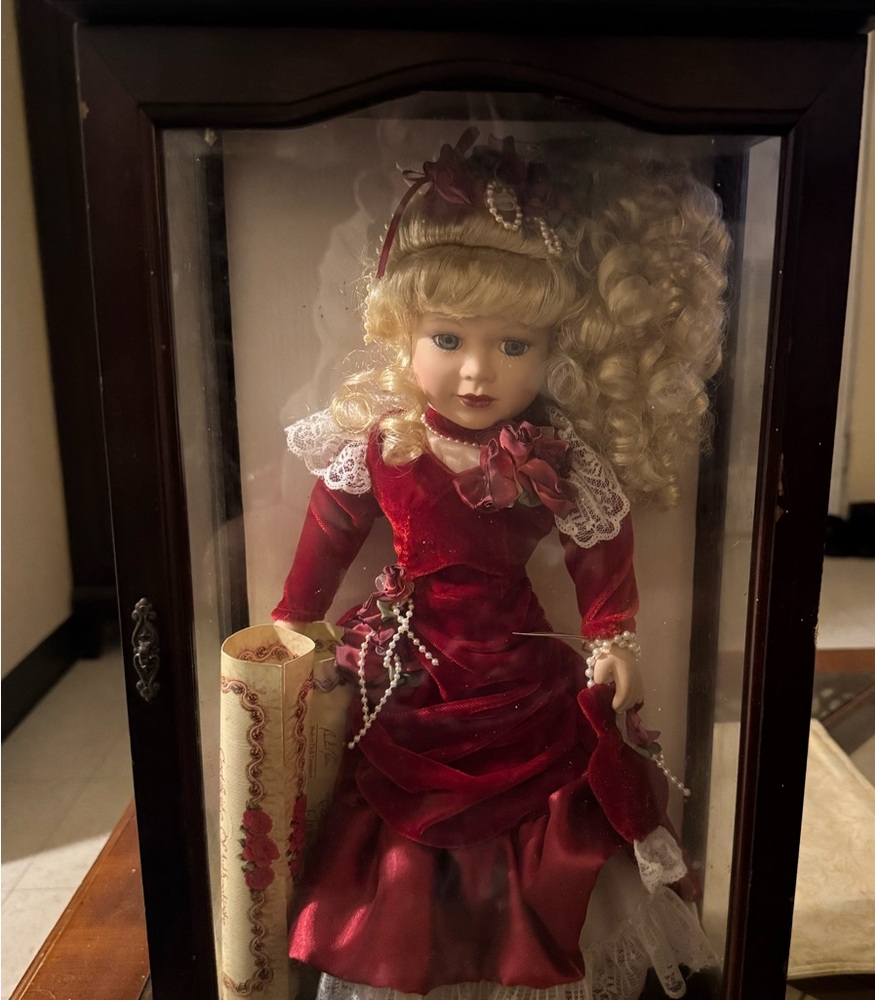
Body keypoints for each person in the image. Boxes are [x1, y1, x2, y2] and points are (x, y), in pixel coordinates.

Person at [273, 128, 730, 1000]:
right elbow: (328, 531)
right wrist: (294, 618)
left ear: (552, 351)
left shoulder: (549, 455)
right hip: (411, 673)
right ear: (403, 336)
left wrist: (614, 635)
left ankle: (522, 966)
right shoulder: (385, 446)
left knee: (543, 807)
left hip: (519, 670)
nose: (477, 372)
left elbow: (600, 544)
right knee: (405, 821)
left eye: (513, 347)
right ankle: (423, 960)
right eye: (447, 339)